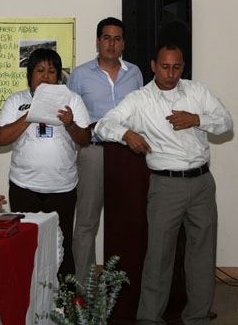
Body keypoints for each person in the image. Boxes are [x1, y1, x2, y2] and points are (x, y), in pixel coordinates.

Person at [94, 43, 233, 324]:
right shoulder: (140, 100)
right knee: (158, 257)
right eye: (165, 67)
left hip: (202, 183)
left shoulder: (197, 91)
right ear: (153, 66)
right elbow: (102, 125)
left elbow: (226, 123)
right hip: (165, 186)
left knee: (202, 256)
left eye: (176, 67)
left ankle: (197, 318)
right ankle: (149, 319)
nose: (170, 74)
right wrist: (126, 134)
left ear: (183, 67)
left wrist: (197, 119)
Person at [0, 48, 91, 276]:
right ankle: (26, 295)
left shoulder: (72, 99)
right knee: (26, 246)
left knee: (62, 248)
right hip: (24, 187)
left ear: (58, 76)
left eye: (51, 71)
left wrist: (70, 124)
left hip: (62, 188)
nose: (46, 76)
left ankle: (64, 297)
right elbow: (0, 139)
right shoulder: (16, 101)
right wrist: (30, 115)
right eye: (40, 70)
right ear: (30, 75)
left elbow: (85, 138)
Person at [67, 17, 143, 284]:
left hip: (128, 155)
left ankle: (123, 287)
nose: (112, 44)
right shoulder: (80, 75)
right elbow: (71, 119)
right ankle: (86, 290)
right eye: (107, 38)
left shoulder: (135, 73)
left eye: (117, 39)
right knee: (86, 223)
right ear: (98, 42)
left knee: (127, 221)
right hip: (94, 153)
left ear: (124, 44)